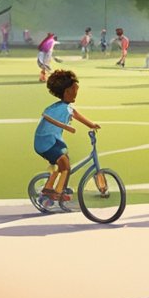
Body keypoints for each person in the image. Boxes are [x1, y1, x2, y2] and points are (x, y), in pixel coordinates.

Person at [34, 69, 101, 203]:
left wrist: (91, 125)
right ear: (67, 91)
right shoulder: (59, 109)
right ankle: (56, 192)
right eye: (74, 89)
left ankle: (55, 187)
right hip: (46, 142)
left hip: (53, 141)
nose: (76, 92)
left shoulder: (66, 107)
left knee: (63, 163)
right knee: (65, 166)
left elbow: (76, 115)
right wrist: (66, 127)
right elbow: (46, 116)